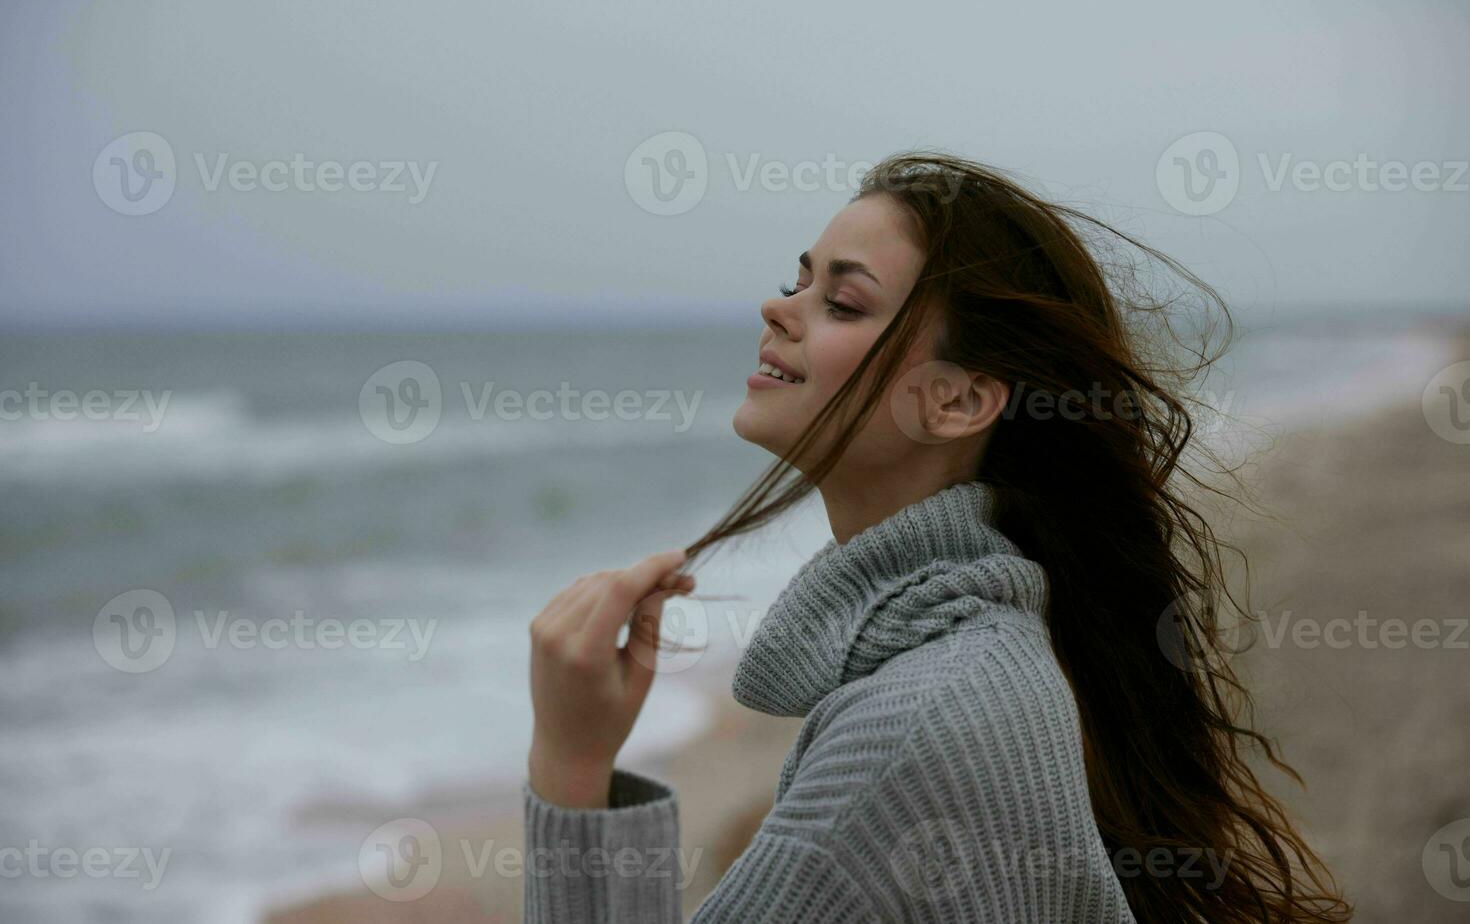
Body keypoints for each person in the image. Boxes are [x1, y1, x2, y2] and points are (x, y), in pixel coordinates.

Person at [521, 152, 1353, 922]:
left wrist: (570, 761)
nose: (778, 308)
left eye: (843, 303)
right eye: (798, 281)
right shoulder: (982, 666)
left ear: (956, 402)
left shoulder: (918, 728)